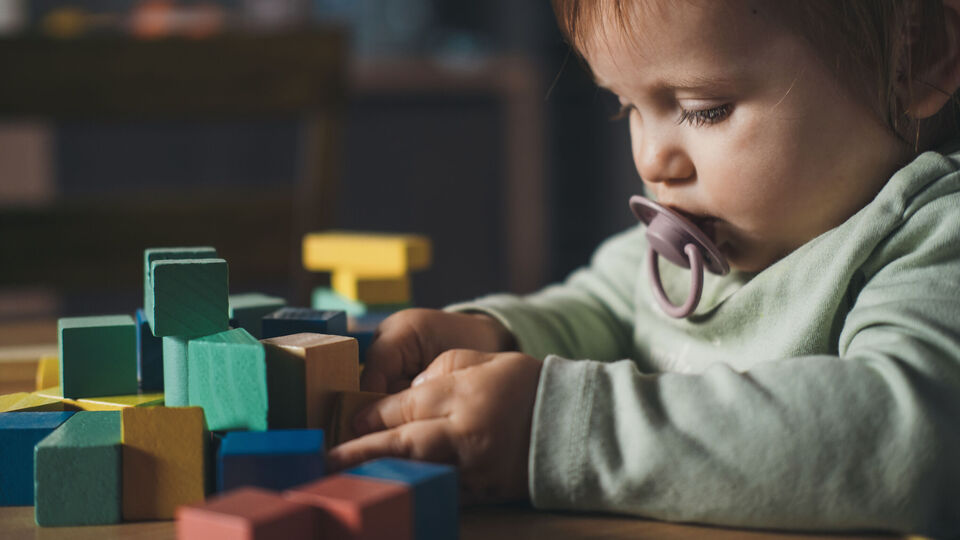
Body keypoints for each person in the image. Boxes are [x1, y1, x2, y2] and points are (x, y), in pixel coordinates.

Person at [327, 1, 960, 535]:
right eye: (626, 106)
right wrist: (495, 335)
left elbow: (913, 435)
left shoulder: (929, 236)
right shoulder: (689, 245)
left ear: (916, 57)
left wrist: (558, 432)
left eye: (703, 107)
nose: (653, 159)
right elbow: (601, 309)